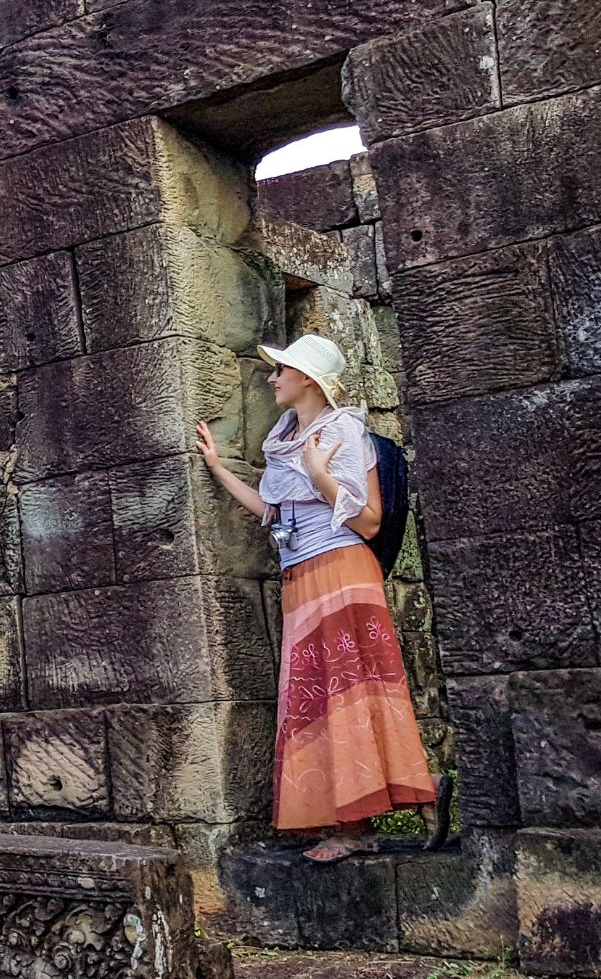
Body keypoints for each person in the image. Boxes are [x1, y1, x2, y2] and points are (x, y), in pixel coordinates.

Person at [194, 334, 447, 863]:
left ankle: (357, 827)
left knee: (345, 694)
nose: (271, 378)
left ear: (307, 379)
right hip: (302, 570)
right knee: (317, 695)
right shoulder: (288, 436)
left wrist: (319, 475)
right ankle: (412, 795)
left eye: (281, 370)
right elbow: (271, 510)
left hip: (339, 569)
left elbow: (369, 518)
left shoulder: (343, 434)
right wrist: (218, 469)